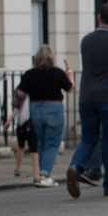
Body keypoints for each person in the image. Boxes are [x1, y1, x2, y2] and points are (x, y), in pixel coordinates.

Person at [67, 4, 108, 198]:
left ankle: (76, 167)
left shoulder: (86, 41)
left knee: (88, 138)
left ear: (98, 18)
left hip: (87, 96)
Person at [13, 44, 74, 187]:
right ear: (52, 58)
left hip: (36, 109)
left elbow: (20, 95)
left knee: (39, 142)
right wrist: (69, 75)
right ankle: (44, 173)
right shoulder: (57, 73)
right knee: (52, 143)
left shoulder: (29, 74)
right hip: (54, 108)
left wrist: (14, 113)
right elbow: (70, 88)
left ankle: (39, 173)